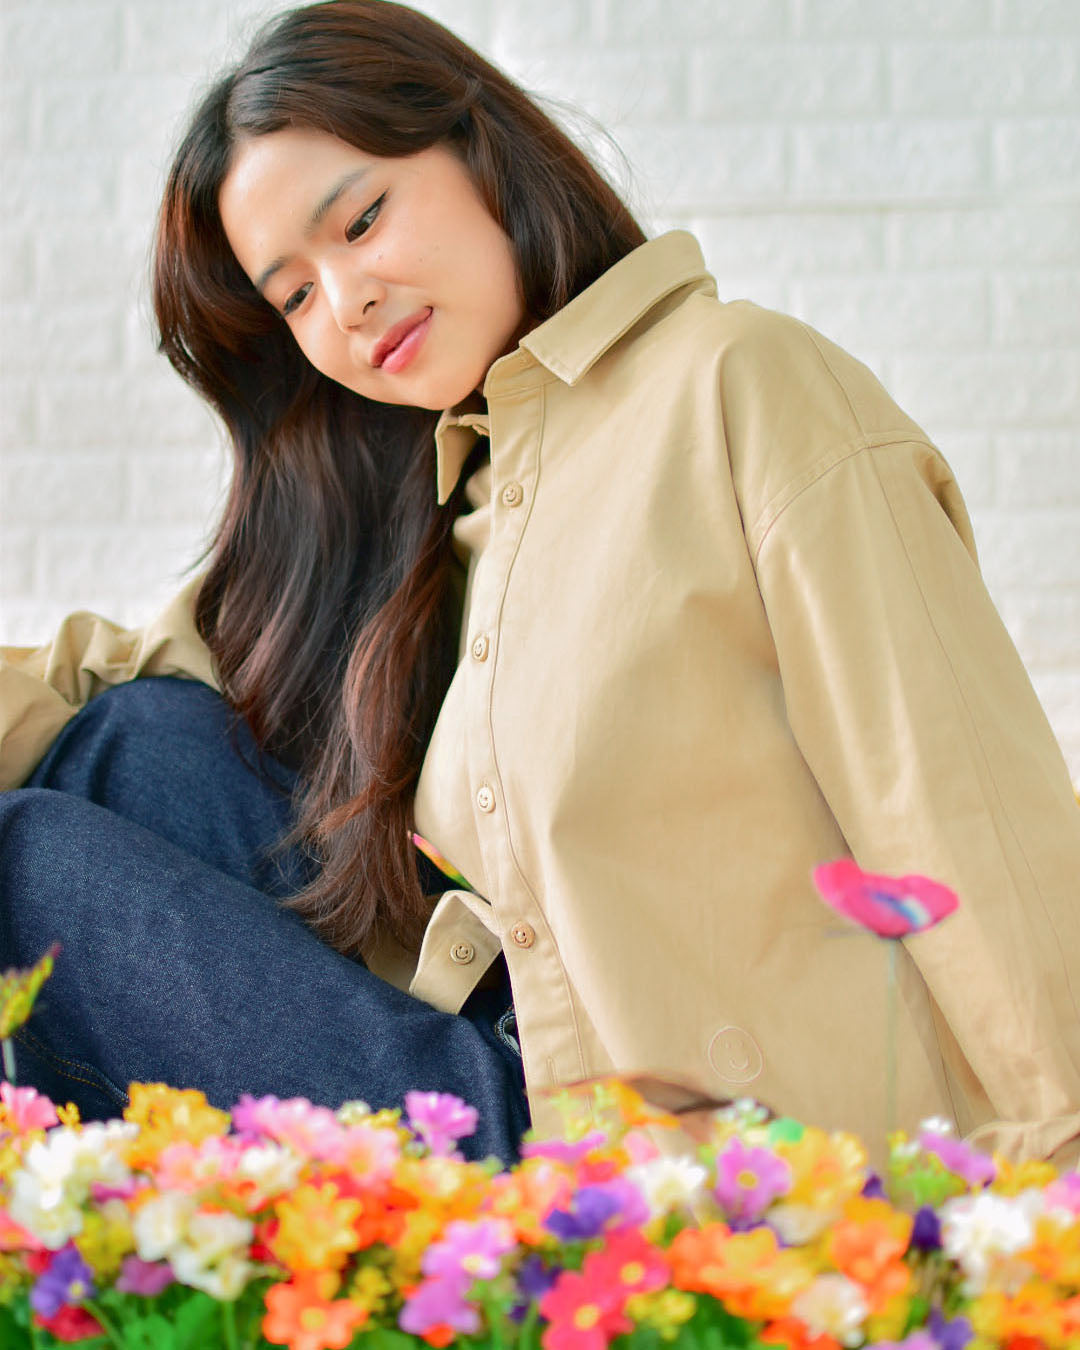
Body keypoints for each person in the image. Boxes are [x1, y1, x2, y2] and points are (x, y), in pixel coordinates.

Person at [2, 0, 1079, 1169]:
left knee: (22, 865)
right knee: (137, 737)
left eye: (361, 220)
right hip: (506, 1073)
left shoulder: (737, 387)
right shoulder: (434, 505)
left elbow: (953, 800)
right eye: (295, 295)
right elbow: (121, 672)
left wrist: (1052, 1196)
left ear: (478, 148)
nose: (347, 302)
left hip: (672, 1170)